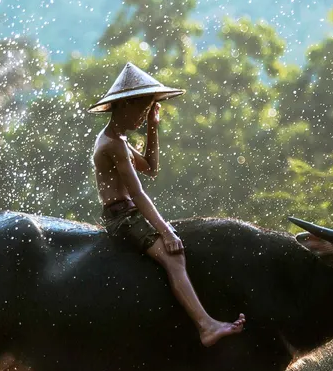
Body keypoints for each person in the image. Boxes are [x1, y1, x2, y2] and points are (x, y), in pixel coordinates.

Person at [88, 62, 245, 347]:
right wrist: (166, 231)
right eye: (141, 110)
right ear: (123, 106)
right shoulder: (112, 144)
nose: (143, 116)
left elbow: (150, 168)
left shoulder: (118, 139)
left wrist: (152, 128)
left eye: (148, 110)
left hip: (128, 213)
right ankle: (206, 326)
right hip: (123, 217)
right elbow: (138, 194)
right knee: (174, 256)